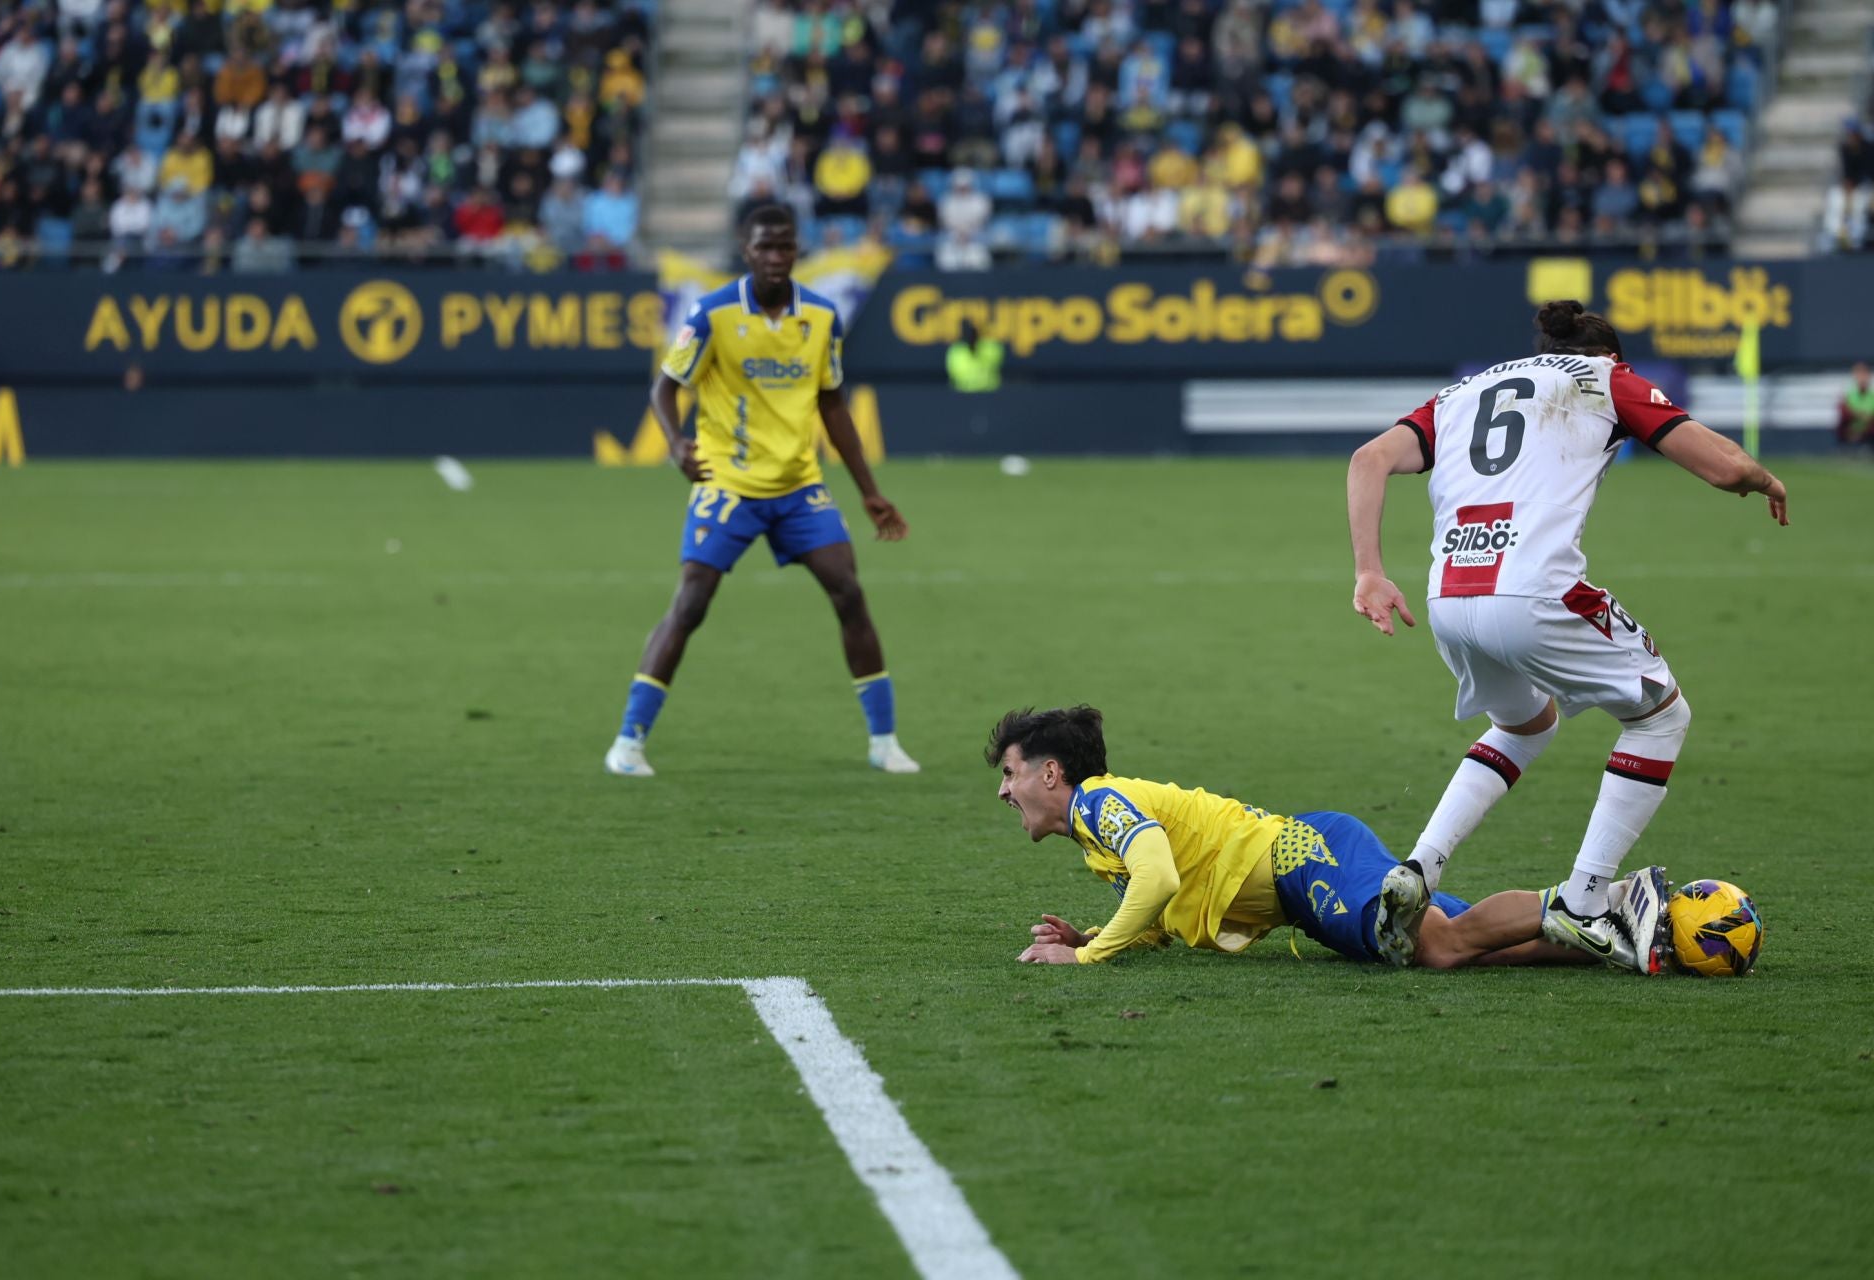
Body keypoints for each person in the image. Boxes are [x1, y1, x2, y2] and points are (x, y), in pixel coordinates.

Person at [1346, 300, 1787, 973]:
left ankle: (1418, 868)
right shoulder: (1606, 379)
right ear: (1610, 354)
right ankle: (1584, 901)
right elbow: (1723, 466)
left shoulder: (1463, 391)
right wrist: (1764, 476)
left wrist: (1371, 571)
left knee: (1526, 724)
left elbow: (1369, 458)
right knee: (1661, 717)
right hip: (1535, 590)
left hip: (1452, 594)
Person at [604, 204, 920, 778]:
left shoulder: (821, 318)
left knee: (848, 590)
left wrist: (869, 490)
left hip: (799, 486)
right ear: (745, 251)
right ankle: (628, 740)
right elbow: (665, 388)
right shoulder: (713, 314)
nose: (775, 257)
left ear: (796, 251)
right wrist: (676, 443)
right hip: (728, 482)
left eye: (784, 247)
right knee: (692, 601)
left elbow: (832, 404)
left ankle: (884, 740)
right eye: (764, 247)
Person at [988, 705, 1654, 970]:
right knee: (1460, 946)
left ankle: (1579, 901)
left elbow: (1160, 880)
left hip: (1303, 861)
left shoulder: (1102, 802)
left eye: (1011, 773)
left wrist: (1087, 956)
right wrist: (1097, 935)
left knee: (1444, 949)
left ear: (1052, 773)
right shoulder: (1099, 829)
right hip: (1306, 875)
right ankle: (1626, 929)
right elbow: (1168, 901)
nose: (1003, 790)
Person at [946, 320, 1004, 392]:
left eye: (973, 333)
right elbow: (954, 374)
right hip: (963, 395)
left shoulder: (992, 348)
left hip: (990, 393)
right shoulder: (956, 352)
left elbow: (996, 360)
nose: (971, 336)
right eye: (969, 334)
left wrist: (977, 347)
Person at [1838, 361, 1874, 447]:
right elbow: (1844, 414)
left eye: (1864, 374)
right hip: (1850, 433)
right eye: (1859, 374)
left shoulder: (1872, 395)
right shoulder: (1847, 394)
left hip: (1870, 434)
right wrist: (1859, 415)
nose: (1862, 378)